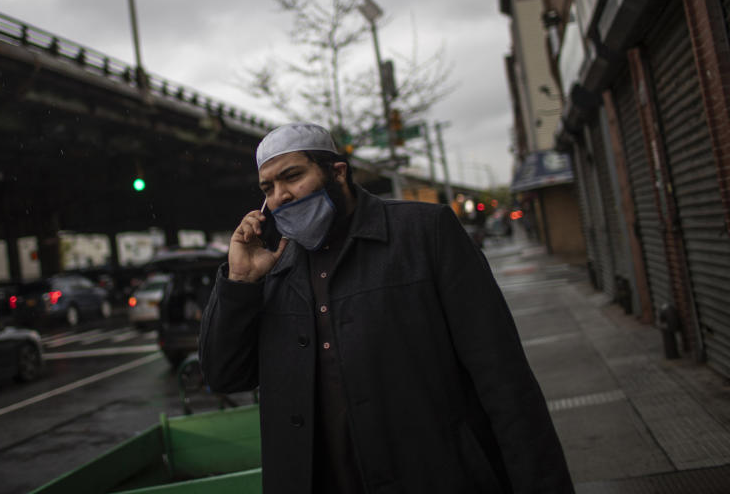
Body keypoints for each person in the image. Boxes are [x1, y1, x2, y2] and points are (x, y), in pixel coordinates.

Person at [199, 122, 573, 494]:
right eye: (269, 188)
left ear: (337, 172)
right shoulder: (273, 268)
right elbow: (226, 376)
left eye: (292, 176)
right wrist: (238, 282)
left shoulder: (426, 233)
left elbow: (504, 381)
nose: (281, 195)